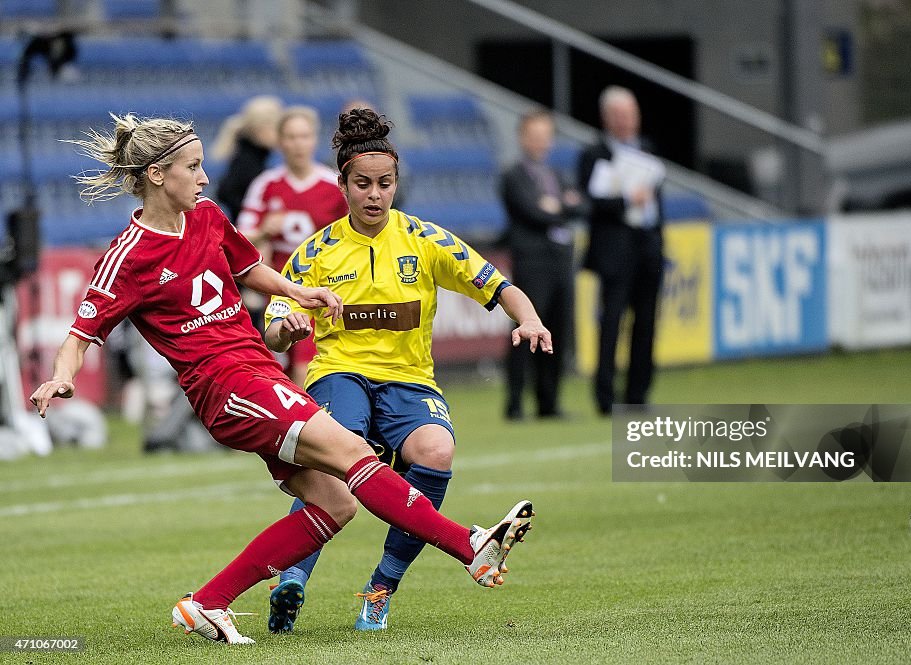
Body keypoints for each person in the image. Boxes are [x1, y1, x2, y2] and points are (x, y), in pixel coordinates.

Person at [29, 113, 536, 646]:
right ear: (158, 175)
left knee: (336, 503)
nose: (204, 178)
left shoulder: (206, 215)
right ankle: (470, 546)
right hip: (224, 386)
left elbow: (248, 270)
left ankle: (207, 603)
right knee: (354, 453)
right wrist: (62, 377)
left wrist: (299, 293)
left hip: (258, 370)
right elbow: (82, 332)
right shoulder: (126, 256)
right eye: (193, 167)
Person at [262, 107, 554, 633]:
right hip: (338, 372)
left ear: (396, 184)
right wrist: (287, 331)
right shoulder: (318, 251)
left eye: (385, 183)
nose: (374, 195)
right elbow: (277, 319)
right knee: (336, 461)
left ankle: (380, 589)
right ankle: (292, 579)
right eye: (363, 184)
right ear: (343, 186)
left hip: (409, 379)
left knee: (436, 451)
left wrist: (529, 318)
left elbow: (497, 284)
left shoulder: (424, 240)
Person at [237, 106, 349, 382]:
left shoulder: (334, 185)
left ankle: (309, 423)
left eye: (304, 136)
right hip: (280, 289)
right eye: (290, 137)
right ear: (280, 141)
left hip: (325, 288)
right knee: (284, 367)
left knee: (306, 367)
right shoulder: (266, 185)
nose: (298, 144)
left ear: (314, 139)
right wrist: (264, 231)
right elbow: (239, 239)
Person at [577, 86, 665, 415]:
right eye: (621, 115)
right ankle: (605, 398)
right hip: (615, 254)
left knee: (646, 325)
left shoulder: (647, 149)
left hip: (648, 250)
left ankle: (638, 396)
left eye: (631, 114)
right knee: (611, 325)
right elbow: (592, 202)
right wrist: (628, 199)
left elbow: (659, 203)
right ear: (607, 119)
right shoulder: (594, 154)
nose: (628, 121)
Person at [499, 109, 584, 420]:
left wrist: (555, 206)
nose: (541, 143)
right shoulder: (514, 175)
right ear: (523, 138)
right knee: (525, 329)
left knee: (557, 330)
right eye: (535, 136)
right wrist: (562, 207)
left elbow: (580, 206)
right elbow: (531, 212)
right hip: (532, 262)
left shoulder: (556, 175)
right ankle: (515, 402)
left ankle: (549, 402)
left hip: (561, 260)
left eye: (545, 137)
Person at [211, 95, 283, 222]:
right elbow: (226, 192)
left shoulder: (255, 156)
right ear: (261, 129)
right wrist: (252, 216)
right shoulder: (247, 161)